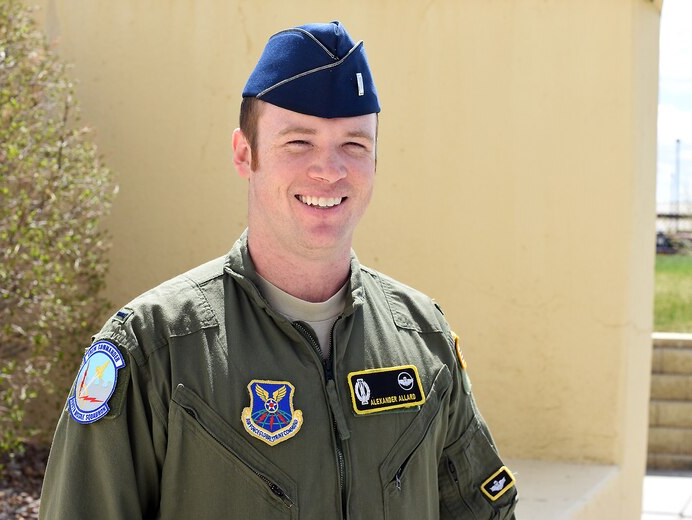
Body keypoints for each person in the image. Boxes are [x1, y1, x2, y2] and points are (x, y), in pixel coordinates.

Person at [39, 21, 518, 519]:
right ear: (245, 154)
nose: (329, 170)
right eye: (299, 142)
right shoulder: (155, 349)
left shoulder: (422, 337)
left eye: (354, 144)